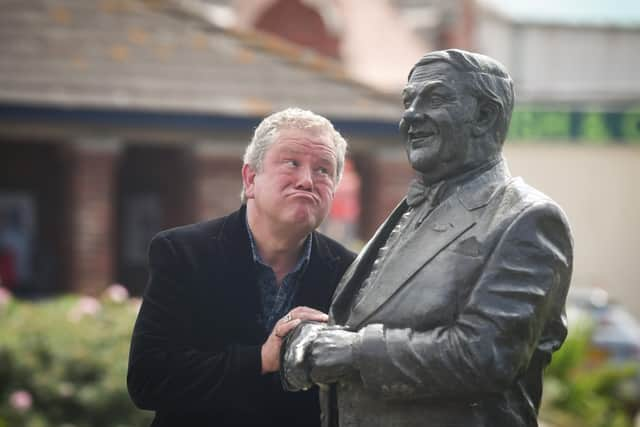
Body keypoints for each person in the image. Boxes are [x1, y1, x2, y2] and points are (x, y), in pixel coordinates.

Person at [282, 49, 573, 427]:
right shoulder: (409, 209)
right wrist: (314, 336)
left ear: (486, 116)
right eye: (408, 101)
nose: (411, 115)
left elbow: (486, 355)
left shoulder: (527, 219)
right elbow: (366, 317)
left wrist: (355, 351)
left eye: (434, 99)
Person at [127, 108, 356, 426]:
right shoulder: (183, 253)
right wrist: (262, 360)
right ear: (250, 179)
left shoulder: (350, 272)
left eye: (323, 170)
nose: (307, 181)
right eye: (292, 163)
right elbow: (147, 381)